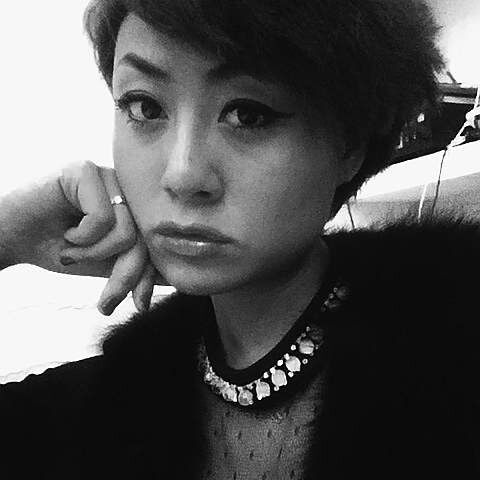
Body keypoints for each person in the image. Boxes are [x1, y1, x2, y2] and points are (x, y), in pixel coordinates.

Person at [0, 0, 479, 478]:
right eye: (145, 107)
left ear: (350, 145)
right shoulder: (114, 397)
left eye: (248, 114)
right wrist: (9, 231)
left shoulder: (455, 357)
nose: (182, 175)